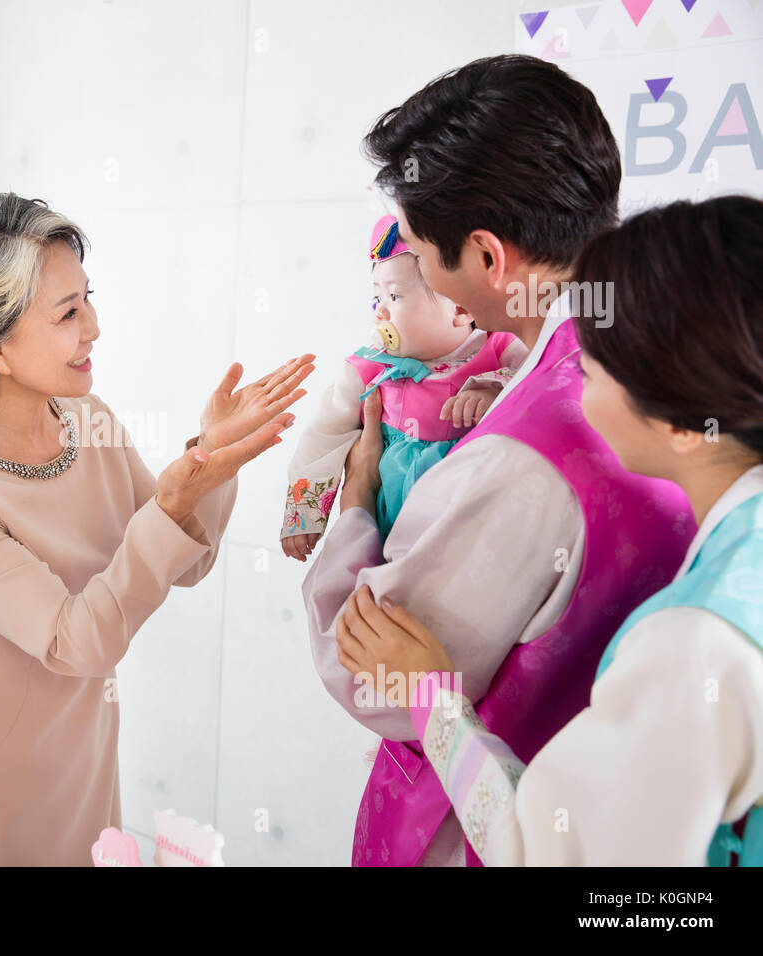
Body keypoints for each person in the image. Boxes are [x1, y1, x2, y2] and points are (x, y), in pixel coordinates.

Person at [301, 54, 695, 866]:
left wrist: (353, 508)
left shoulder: (520, 460)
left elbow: (367, 668)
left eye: (418, 251)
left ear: (485, 258)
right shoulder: (672, 358)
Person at [339, 196, 763, 865]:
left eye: (595, 364)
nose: (572, 380)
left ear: (684, 422)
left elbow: (549, 853)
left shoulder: (695, 644)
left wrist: (432, 700)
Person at [0, 192, 311, 865]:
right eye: (67, 313)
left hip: (86, 767)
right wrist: (176, 499)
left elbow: (186, 561)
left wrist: (213, 459)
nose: (94, 326)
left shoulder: (88, 423)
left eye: (87, 298)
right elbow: (77, 642)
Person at [281, 214, 525, 553]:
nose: (380, 313)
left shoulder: (498, 347)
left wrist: (494, 388)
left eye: (393, 297)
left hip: (475, 516)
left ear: (459, 308)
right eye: (376, 299)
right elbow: (325, 434)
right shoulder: (370, 367)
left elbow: (538, 380)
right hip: (394, 519)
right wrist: (304, 513)